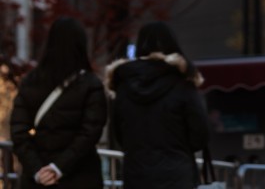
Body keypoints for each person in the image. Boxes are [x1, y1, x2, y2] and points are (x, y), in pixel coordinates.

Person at [105, 21, 210, 189]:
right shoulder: (182, 83)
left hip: (136, 174)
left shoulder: (124, 84)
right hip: (176, 174)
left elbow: (119, 134)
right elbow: (200, 134)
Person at [10, 17, 108, 188]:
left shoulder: (30, 82)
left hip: (37, 179)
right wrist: (58, 168)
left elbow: (19, 132)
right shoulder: (90, 84)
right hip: (80, 177)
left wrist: (38, 170)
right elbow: (90, 133)